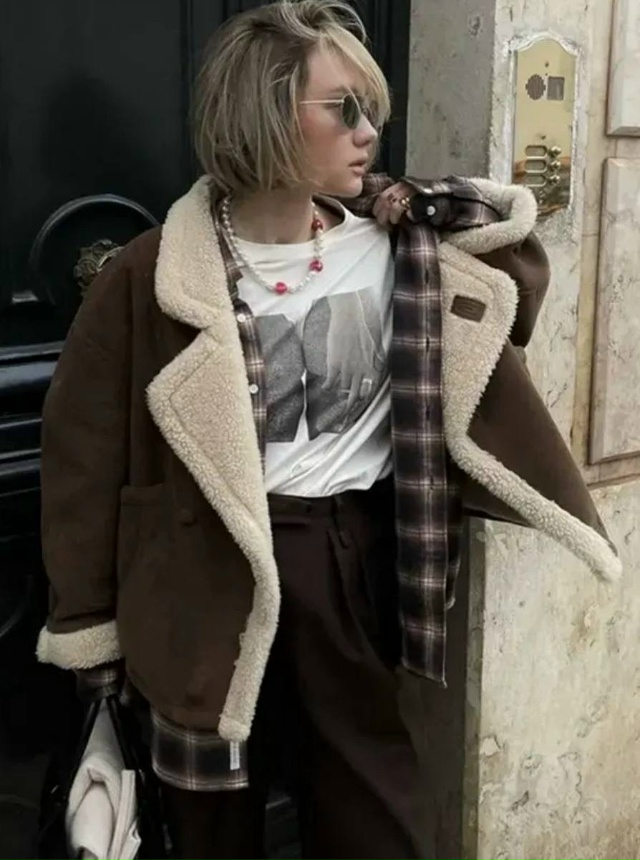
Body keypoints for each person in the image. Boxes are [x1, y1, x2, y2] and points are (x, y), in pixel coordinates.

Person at [36, 2, 621, 859]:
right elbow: (82, 457)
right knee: (209, 830)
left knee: (376, 821)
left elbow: (515, 288)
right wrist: (90, 632)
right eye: (343, 108)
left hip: (349, 561)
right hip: (203, 579)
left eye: (371, 108)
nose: (368, 131)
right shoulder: (154, 274)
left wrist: (440, 210)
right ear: (267, 113)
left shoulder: (397, 242)